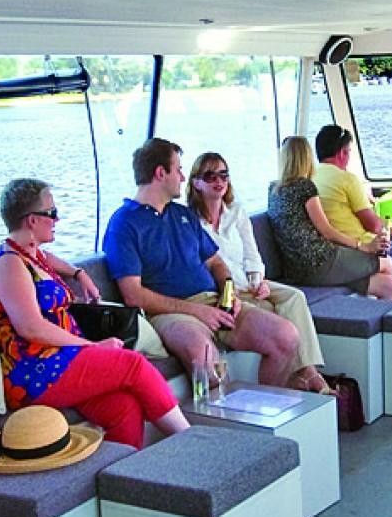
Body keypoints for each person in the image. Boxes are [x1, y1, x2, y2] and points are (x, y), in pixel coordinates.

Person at [0, 177, 189, 448]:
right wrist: (93, 347)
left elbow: (50, 261)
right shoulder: (9, 265)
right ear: (32, 220)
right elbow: (31, 328)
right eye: (52, 213)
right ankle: (190, 440)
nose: (57, 219)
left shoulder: (31, 255)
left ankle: (125, 471)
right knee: (133, 365)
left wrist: (80, 274)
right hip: (34, 373)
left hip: (59, 361)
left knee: (123, 406)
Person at [107, 138, 327, 393]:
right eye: (178, 169)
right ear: (160, 173)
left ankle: (264, 408)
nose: (182, 177)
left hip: (214, 301)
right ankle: (223, 416)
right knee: (204, 358)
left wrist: (228, 293)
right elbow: (133, 295)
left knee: (286, 337)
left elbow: (216, 263)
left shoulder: (182, 215)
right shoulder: (124, 224)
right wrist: (197, 311)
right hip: (170, 313)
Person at [188, 148, 329, 394]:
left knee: (295, 297)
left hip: (249, 282)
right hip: (224, 291)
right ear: (196, 183)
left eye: (224, 174)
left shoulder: (236, 212)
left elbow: (252, 254)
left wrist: (259, 280)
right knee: (271, 311)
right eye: (210, 176)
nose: (219, 181)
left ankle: (308, 371)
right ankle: (302, 379)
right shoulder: (188, 222)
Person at [267, 133, 392, 299]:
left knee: (388, 285)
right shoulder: (305, 187)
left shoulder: (273, 189)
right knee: (386, 263)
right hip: (319, 261)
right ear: (307, 158)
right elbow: (327, 231)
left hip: (295, 270)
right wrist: (362, 246)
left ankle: (382, 311)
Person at [312, 124, 392, 290]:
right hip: (365, 246)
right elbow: (374, 226)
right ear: (342, 152)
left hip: (336, 252)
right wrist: (387, 226)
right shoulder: (347, 179)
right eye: (349, 152)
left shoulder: (310, 179)